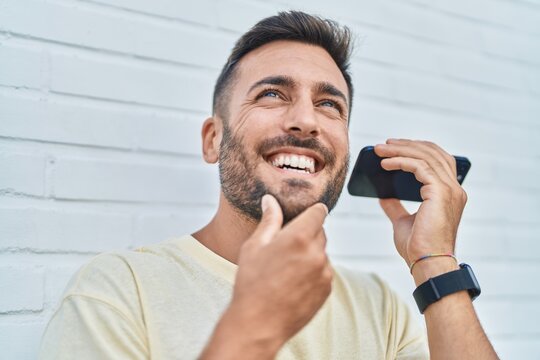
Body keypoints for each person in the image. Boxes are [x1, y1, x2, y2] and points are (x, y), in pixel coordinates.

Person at [40, 11, 499, 359]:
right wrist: (253, 324)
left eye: (329, 105)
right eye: (272, 94)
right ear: (213, 139)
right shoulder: (118, 291)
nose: (305, 120)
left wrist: (434, 264)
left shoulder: (380, 307)